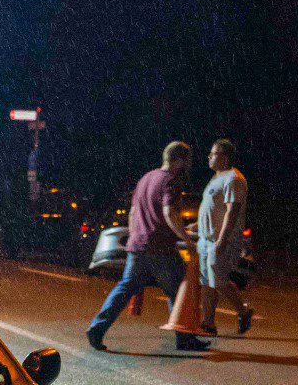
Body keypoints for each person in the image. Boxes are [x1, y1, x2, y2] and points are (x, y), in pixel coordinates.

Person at [87, 141, 210, 352]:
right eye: (187, 161)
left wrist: (136, 235)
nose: (188, 166)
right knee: (180, 289)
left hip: (138, 245)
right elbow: (169, 213)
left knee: (125, 288)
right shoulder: (170, 181)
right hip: (160, 247)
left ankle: (97, 328)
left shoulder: (146, 178)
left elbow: (134, 212)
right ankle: (185, 337)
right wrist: (186, 238)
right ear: (179, 160)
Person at [191, 139, 253, 336]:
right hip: (206, 239)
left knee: (217, 281)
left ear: (224, 157)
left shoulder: (234, 179)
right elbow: (212, 209)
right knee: (207, 283)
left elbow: (231, 212)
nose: (209, 157)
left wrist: (222, 240)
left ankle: (243, 311)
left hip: (221, 240)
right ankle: (208, 323)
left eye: (214, 153)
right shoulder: (216, 178)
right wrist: (195, 226)